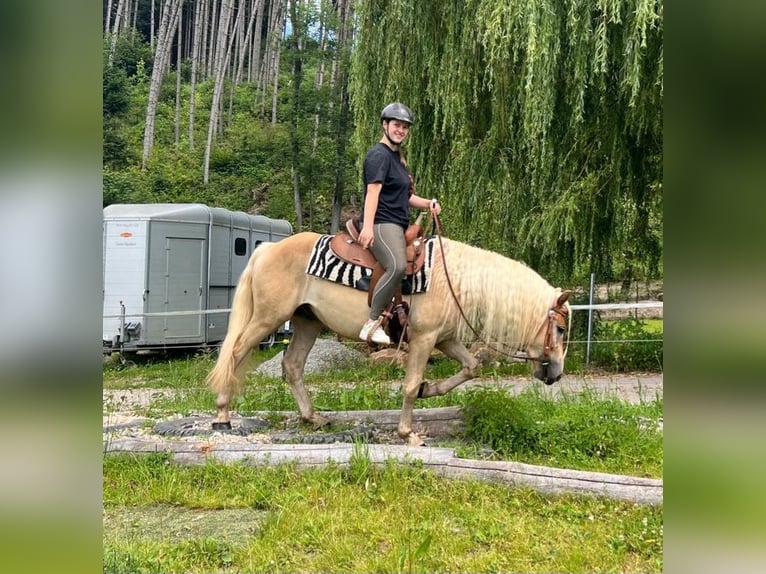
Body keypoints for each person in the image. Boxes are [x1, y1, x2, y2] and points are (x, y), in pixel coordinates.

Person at [357, 102, 442, 344]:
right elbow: (373, 191)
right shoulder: (378, 155)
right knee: (396, 265)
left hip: (398, 222)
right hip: (383, 222)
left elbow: (405, 196)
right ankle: (372, 322)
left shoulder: (397, 159)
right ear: (385, 125)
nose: (401, 130)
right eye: (396, 125)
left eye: (405, 127)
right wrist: (367, 227)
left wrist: (428, 203)